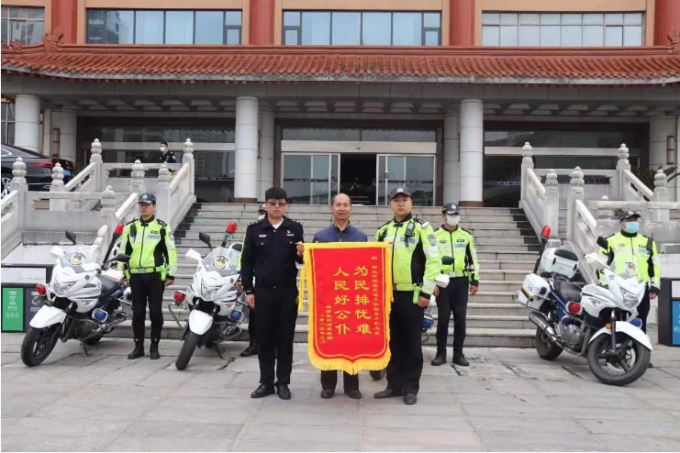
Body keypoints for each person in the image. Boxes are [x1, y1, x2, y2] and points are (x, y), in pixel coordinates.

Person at [374, 186, 441, 405]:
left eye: (404, 199)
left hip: (413, 296)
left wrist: (426, 291)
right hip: (389, 297)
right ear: (390, 204)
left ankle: (411, 388)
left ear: (411, 202)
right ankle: (393, 385)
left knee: (412, 345)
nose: (400, 203)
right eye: (396, 200)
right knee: (393, 343)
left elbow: (434, 261)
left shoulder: (423, 229)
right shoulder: (382, 231)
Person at [241, 188, 304, 400]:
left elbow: (301, 260)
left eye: (281, 203)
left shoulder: (295, 229)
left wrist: (302, 255)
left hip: (287, 292)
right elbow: (247, 262)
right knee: (264, 339)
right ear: (266, 204)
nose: (277, 207)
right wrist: (248, 290)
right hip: (263, 292)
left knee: (285, 339)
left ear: (286, 205)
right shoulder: (254, 229)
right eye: (273, 203)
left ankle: (283, 383)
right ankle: (266, 382)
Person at [311, 193, 368, 400]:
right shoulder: (320, 237)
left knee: (351, 341)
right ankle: (328, 385)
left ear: (351, 208)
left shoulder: (361, 237)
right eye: (338, 205)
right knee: (329, 340)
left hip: (352, 298)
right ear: (331, 208)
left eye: (346, 205)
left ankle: (352, 386)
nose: (342, 208)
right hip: (328, 298)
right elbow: (312, 265)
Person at [119, 193, 177, 360]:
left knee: (155, 313)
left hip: (155, 276)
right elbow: (124, 251)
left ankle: (154, 347)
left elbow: (171, 252)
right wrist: (122, 272)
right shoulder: (130, 227)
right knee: (137, 313)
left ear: (154, 206)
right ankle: (138, 347)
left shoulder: (162, 227)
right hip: (136, 277)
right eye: (141, 204)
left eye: (147, 204)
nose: (144, 207)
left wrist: (171, 274)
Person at [431, 203, 479, 368]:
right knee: (443, 318)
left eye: (456, 214)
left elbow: (472, 259)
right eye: (450, 214)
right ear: (443, 216)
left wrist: (474, 280)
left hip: (461, 281)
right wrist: (432, 282)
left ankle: (458, 354)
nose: (453, 217)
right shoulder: (435, 236)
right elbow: (430, 261)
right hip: (442, 281)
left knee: (460, 318)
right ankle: (441, 354)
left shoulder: (466, 236)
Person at [599, 210, 661, 335]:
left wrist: (655, 286)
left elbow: (654, 265)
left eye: (634, 220)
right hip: (618, 286)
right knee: (616, 319)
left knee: (641, 320)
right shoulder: (611, 240)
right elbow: (601, 264)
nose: (632, 223)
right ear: (621, 222)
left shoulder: (647, 242)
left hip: (641, 287)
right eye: (629, 220)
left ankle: (640, 346)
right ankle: (614, 344)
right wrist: (604, 283)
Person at [240, 203, 268, 358]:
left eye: (265, 212)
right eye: (261, 212)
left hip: (276, 282)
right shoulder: (252, 231)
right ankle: (254, 344)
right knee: (255, 316)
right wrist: (242, 278)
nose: (262, 215)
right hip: (258, 281)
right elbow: (244, 258)